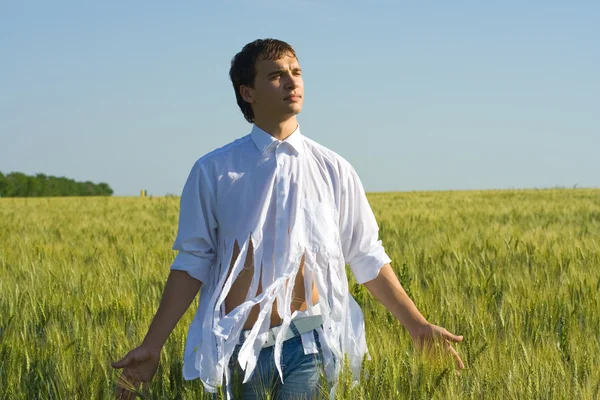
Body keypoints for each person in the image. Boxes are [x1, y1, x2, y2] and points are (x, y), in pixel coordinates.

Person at [111, 38, 465, 400]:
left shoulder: (334, 169)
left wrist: (417, 325)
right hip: (238, 348)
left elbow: (365, 254)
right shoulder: (214, 171)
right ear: (247, 92)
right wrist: (153, 345)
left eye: (296, 72)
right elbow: (192, 262)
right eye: (277, 75)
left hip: (309, 345)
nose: (292, 82)